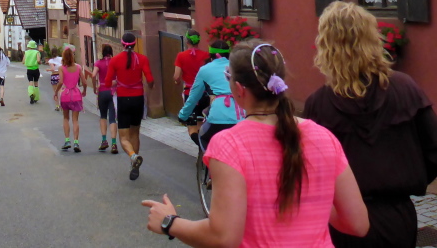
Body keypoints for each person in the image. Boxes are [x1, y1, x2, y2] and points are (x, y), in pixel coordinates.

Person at [143, 39, 369, 246]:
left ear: (239, 88)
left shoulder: (229, 145)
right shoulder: (323, 137)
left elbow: (223, 236)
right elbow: (358, 223)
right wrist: (312, 203)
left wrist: (170, 223)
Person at [305, 1, 437, 247]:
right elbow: (432, 149)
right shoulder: (405, 88)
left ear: (326, 45)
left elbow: (311, 171)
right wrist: (409, 176)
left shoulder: (318, 104)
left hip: (344, 219)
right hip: (396, 215)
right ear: (372, 38)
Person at [106, 32, 154, 180]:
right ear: (135, 44)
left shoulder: (115, 60)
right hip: (138, 99)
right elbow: (150, 79)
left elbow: (107, 82)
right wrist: (149, 88)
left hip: (123, 100)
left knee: (123, 138)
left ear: (122, 44)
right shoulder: (142, 59)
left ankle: (133, 156)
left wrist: (116, 82)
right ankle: (134, 164)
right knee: (135, 134)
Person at [178, 40, 241, 149]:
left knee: (204, 139)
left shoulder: (205, 69)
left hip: (217, 116)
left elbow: (194, 97)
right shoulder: (239, 67)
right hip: (240, 117)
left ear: (211, 55)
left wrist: (183, 115)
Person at [173, 29, 211, 143]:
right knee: (201, 125)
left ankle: (200, 146)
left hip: (190, 94)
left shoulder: (181, 56)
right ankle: (203, 148)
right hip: (204, 94)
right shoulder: (206, 55)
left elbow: (176, 76)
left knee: (191, 126)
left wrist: (177, 82)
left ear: (187, 41)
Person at [53, 46, 87, 151]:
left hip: (65, 95)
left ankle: (67, 140)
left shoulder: (61, 68)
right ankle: (76, 142)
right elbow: (84, 82)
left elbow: (61, 82)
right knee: (75, 120)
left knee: (65, 118)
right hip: (76, 94)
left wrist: (56, 92)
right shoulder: (78, 67)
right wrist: (84, 91)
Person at [91, 44, 118, 153]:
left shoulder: (98, 63)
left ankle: (104, 141)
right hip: (112, 92)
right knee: (112, 118)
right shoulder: (115, 62)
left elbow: (93, 75)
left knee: (103, 116)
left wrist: (94, 87)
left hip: (102, 91)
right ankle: (114, 144)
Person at [23, 40, 41, 104]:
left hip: (29, 69)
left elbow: (23, 61)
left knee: (30, 82)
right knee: (36, 83)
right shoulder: (37, 52)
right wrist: (39, 63)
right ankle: (36, 97)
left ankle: (31, 94)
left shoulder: (26, 52)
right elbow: (38, 60)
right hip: (36, 69)